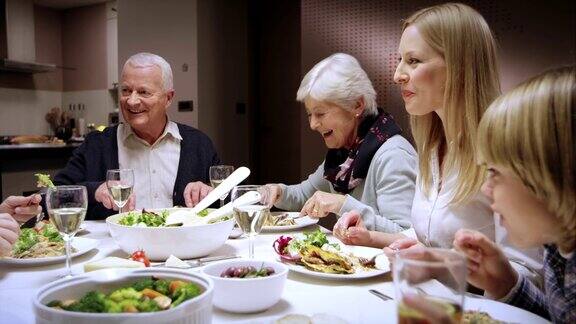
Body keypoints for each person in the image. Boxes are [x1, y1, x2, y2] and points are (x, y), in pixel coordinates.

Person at [334, 3, 542, 281]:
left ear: (458, 66)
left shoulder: (509, 151)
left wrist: (439, 264)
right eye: (400, 60)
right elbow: (431, 241)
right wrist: (370, 237)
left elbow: (531, 276)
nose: (397, 75)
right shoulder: (434, 146)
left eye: (414, 61)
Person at [407, 66, 575, 323]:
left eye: (495, 172)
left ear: (552, 173)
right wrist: (506, 283)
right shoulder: (558, 248)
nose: (486, 188)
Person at [262, 53, 417, 233]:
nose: (313, 125)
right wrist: (278, 191)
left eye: (320, 114)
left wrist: (342, 204)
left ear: (357, 105)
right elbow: (305, 195)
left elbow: (406, 235)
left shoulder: (394, 155)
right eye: (310, 114)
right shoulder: (344, 156)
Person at [54, 53, 219, 220]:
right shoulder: (97, 145)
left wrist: (209, 191)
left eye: (143, 92)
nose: (131, 101)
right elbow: (55, 195)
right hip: (116, 245)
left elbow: (230, 203)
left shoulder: (199, 145)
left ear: (168, 98)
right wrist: (94, 190)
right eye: (126, 90)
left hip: (183, 245)